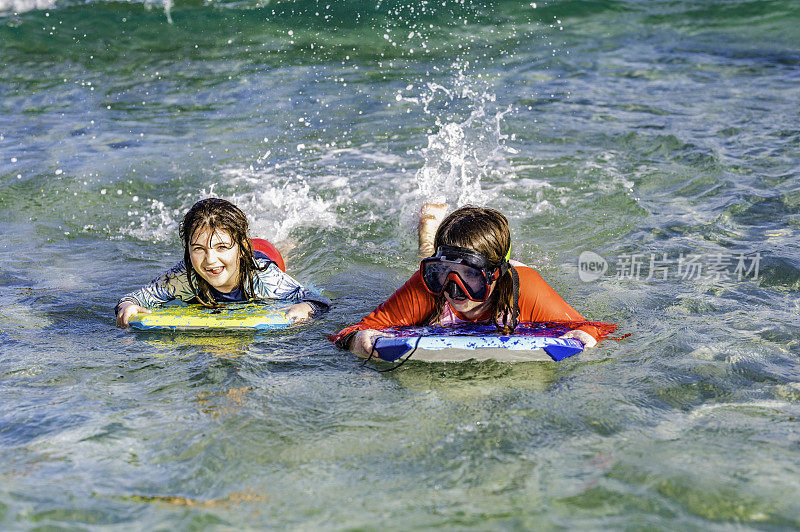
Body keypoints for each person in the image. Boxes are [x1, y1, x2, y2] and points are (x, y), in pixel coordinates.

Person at [331, 204, 616, 357]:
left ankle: (433, 231)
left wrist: (587, 336)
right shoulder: (430, 283)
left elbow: (601, 330)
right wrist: (358, 340)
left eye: (470, 275)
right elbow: (351, 331)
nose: (454, 289)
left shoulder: (524, 288)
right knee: (430, 254)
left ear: (494, 274)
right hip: (442, 261)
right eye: (443, 271)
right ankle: (429, 227)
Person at [116, 198, 331, 327]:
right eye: (198, 249)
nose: (210, 261)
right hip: (237, 253)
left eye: (220, 248)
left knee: (282, 255)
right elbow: (133, 298)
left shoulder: (265, 278)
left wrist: (305, 307)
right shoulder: (182, 278)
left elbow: (319, 301)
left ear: (241, 248)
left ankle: (286, 244)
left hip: (262, 254)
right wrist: (127, 307)